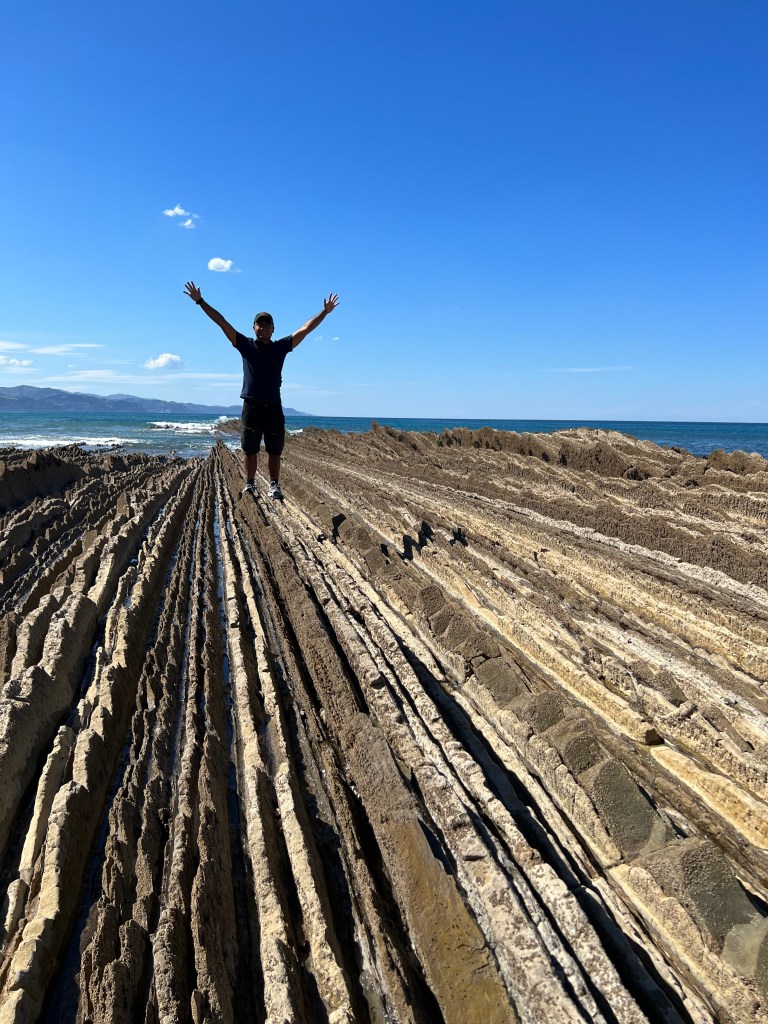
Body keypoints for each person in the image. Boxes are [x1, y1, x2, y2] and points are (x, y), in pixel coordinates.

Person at [184, 281, 339, 498]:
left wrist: (324, 312)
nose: (263, 328)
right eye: (260, 324)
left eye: (267, 325)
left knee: (274, 450)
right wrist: (200, 301)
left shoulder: (281, 347)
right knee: (250, 449)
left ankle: (274, 485)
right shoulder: (246, 345)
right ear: (254, 327)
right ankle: (250, 483)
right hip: (251, 406)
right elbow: (222, 323)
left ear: (273, 329)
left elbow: (305, 329)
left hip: (273, 407)